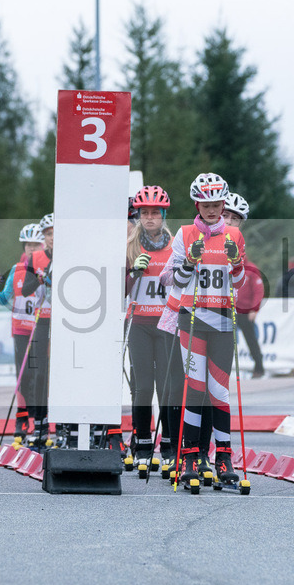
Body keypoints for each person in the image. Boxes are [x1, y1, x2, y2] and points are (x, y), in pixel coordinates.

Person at [166, 173, 246, 490]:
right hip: (193, 319)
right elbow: (173, 281)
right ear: (197, 204)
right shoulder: (185, 234)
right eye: (206, 204)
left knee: (220, 391)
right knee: (195, 388)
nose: (212, 210)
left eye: (217, 205)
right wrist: (189, 261)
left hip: (223, 321)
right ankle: (188, 456)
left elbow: (239, 284)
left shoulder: (234, 236)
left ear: (223, 204)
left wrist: (237, 265)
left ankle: (223, 456)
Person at [124, 186, 177, 471]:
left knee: (167, 387)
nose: (150, 218)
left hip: (168, 323)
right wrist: (132, 272)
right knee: (142, 387)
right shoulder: (131, 245)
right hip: (140, 322)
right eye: (145, 213)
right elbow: (120, 289)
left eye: (155, 213)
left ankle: (168, 444)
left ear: (163, 215)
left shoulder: (175, 245)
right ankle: (142, 442)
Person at [0, 223, 45, 442]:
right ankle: (22, 417)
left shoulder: (47, 269)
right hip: (20, 329)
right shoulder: (16, 269)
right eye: (29, 244)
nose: (32, 248)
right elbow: (3, 297)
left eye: (36, 244)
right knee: (23, 374)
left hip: (41, 329)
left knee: (38, 375)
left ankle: (39, 418)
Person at [20, 213, 54, 448]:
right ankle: (40, 424)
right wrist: (41, 278)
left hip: (68, 322)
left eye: (56, 233)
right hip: (43, 319)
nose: (53, 238)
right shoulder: (36, 257)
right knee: (40, 374)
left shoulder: (73, 255)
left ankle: (62, 426)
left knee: (61, 374)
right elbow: (25, 290)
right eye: (49, 234)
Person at [223, 193, 266, 378]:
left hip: (244, 311)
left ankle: (259, 367)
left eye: (235, 219)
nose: (230, 222)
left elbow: (259, 290)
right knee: (225, 342)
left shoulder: (251, 268)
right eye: (226, 216)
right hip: (224, 307)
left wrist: (254, 309)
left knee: (251, 341)